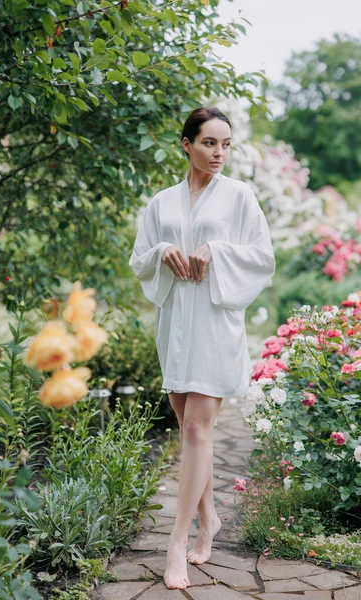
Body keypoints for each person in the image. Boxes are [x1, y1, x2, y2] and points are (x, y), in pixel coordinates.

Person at [129, 107, 275, 590]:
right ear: (186, 144)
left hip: (214, 324)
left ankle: (177, 540)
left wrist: (219, 251)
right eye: (210, 143)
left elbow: (262, 257)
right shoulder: (161, 202)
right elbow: (140, 258)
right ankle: (209, 515)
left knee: (196, 428)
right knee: (187, 422)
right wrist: (161, 253)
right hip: (174, 324)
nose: (219, 153)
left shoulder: (239, 197)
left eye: (226, 144)